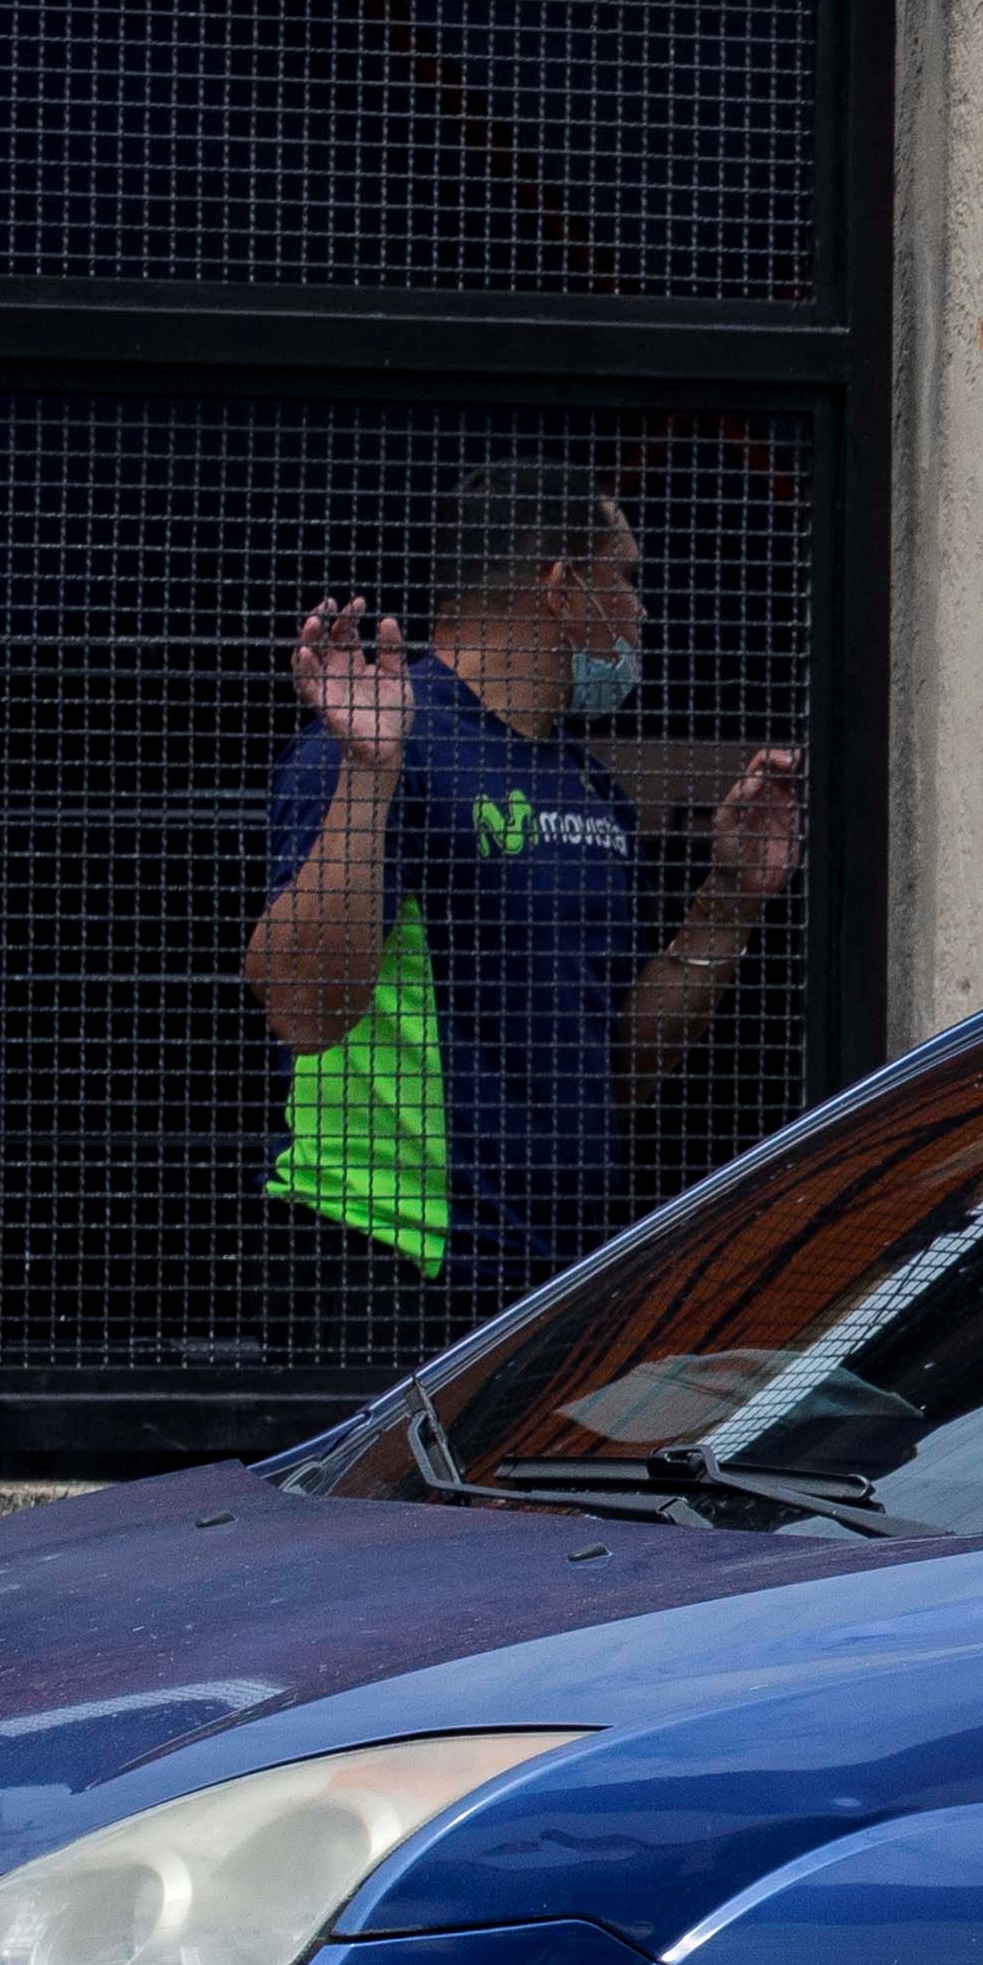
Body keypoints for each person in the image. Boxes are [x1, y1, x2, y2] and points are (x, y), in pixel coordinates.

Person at [246, 462, 803, 1359]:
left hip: (556, 1286)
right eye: (624, 577)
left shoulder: (593, 789)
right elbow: (302, 1008)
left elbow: (612, 1071)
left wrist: (729, 900)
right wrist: (369, 772)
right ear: (561, 585)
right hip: (393, 1266)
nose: (642, 611)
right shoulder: (379, 743)